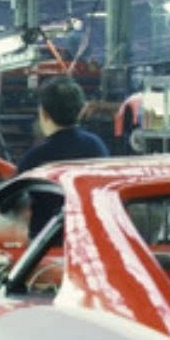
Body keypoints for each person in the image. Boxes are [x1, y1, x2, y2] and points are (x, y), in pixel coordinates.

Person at [15, 75, 109, 237]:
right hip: (91, 240)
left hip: (47, 249)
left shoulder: (34, 159)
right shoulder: (97, 147)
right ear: (81, 111)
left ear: (43, 114)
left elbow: (10, 208)